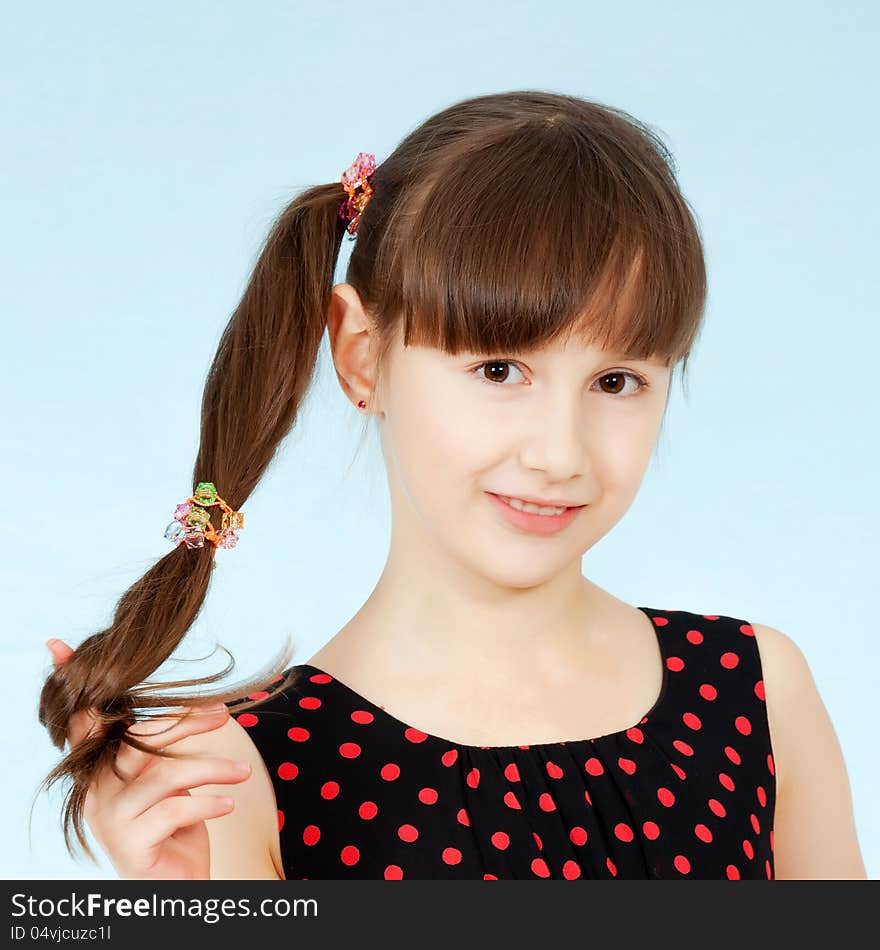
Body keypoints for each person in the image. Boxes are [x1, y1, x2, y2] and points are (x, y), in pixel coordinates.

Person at [39, 90, 867, 881]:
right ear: (362, 354)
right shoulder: (241, 778)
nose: (559, 454)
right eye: (499, 369)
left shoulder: (752, 693)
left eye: (617, 382)